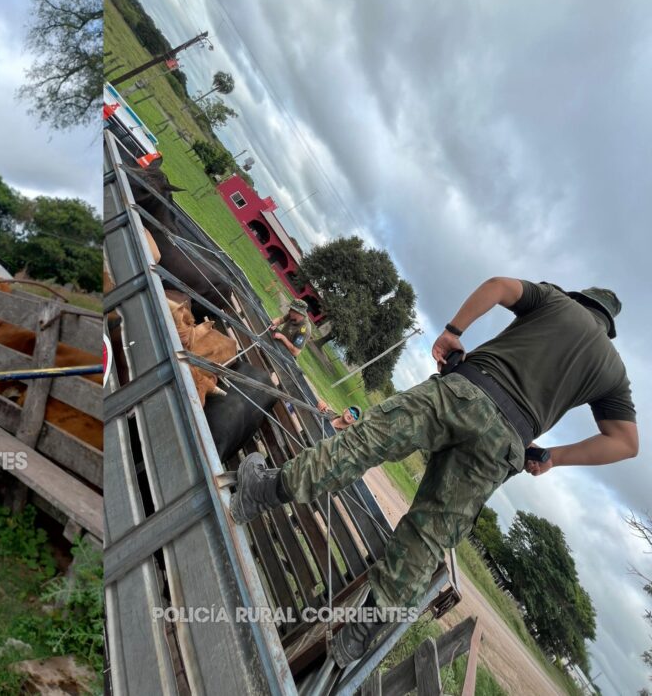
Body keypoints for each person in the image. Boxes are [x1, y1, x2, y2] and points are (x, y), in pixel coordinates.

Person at [230, 277, 638, 666]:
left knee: (364, 443)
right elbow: (625, 442)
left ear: (583, 299)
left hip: (464, 391)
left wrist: (453, 332)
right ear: (609, 327)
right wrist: (553, 457)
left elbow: (498, 286)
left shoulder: (554, 299)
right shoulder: (613, 372)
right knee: (429, 534)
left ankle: (261, 493)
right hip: (507, 444)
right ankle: (356, 635)